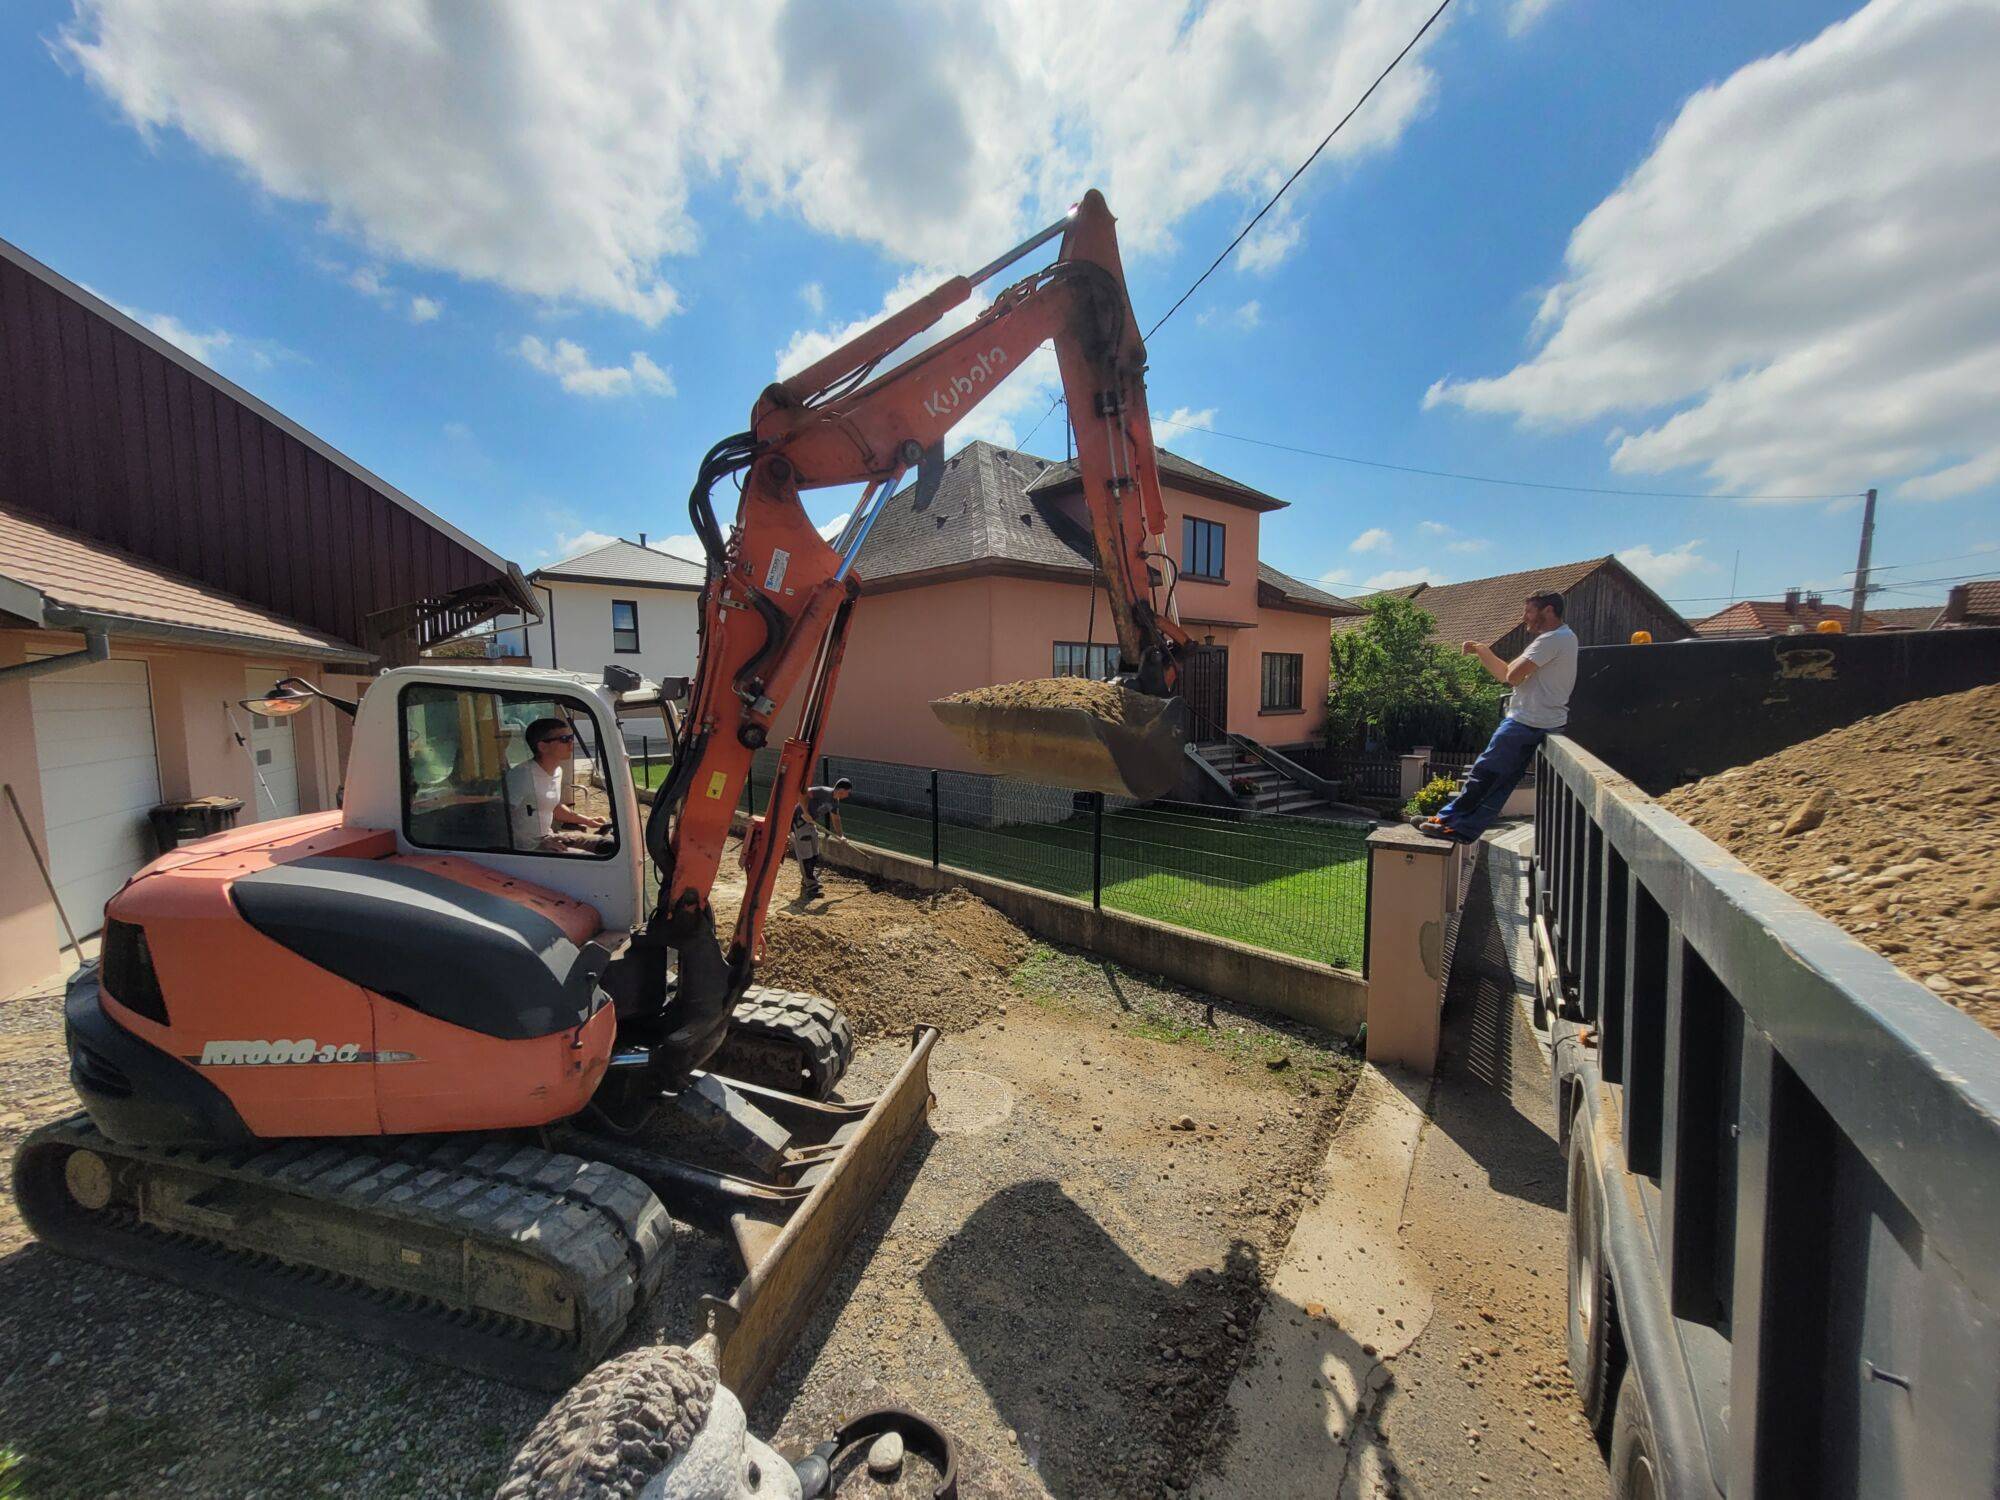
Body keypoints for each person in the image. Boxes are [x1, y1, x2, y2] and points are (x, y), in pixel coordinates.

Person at [1416, 591, 1577, 844]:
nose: (1524, 618)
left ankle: (1450, 823)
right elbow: (1506, 674)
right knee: (1499, 781)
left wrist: (1507, 665)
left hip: (1527, 721)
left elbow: (1512, 676)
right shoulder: (1562, 638)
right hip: (1540, 720)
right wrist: (1483, 651)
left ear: (1547, 610)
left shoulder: (1552, 640)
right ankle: (1456, 825)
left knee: (1486, 772)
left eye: (1529, 611)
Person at [505, 717, 606, 850]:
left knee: (606, 844)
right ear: (543, 746)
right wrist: (536, 844)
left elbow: (552, 807)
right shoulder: (521, 776)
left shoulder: (557, 771)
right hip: (527, 849)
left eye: (571, 737)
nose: (571, 742)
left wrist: (588, 821)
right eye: (564, 739)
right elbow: (502, 819)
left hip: (549, 837)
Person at [789, 806, 825, 900]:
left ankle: (807, 879)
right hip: (800, 825)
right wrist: (790, 832)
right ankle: (811, 885)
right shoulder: (808, 798)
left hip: (811, 825)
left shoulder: (829, 801)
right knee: (806, 857)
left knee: (815, 854)